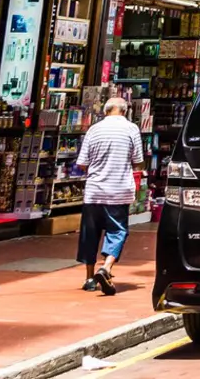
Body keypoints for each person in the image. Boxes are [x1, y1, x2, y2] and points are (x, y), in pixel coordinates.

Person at [76, 96, 143, 295]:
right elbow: (138, 161)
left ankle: (89, 278)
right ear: (125, 111)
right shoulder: (131, 129)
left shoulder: (94, 130)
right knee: (118, 231)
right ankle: (106, 267)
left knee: (90, 234)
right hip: (119, 190)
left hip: (95, 191)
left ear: (105, 111)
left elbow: (82, 163)